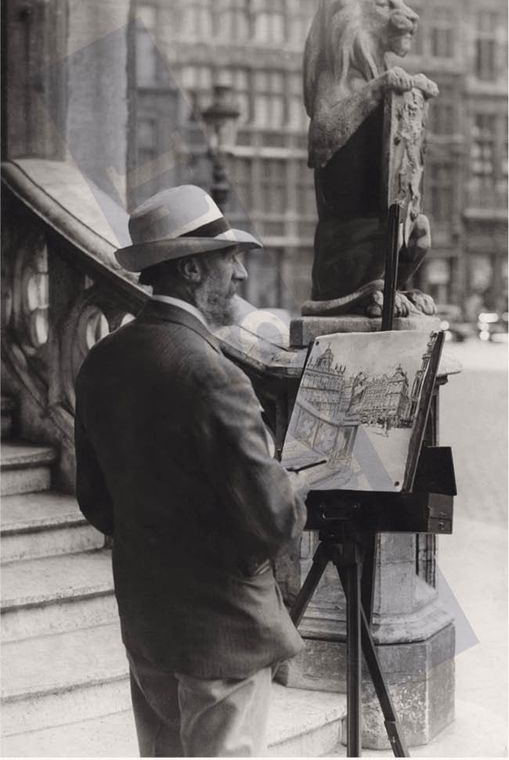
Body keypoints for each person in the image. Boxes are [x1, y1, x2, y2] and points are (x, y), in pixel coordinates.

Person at [74, 185, 324, 757]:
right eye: (228, 259)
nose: (240, 274)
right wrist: (296, 482)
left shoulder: (103, 359)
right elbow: (274, 518)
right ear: (190, 269)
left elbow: (96, 501)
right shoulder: (214, 374)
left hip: (149, 619)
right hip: (222, 629)